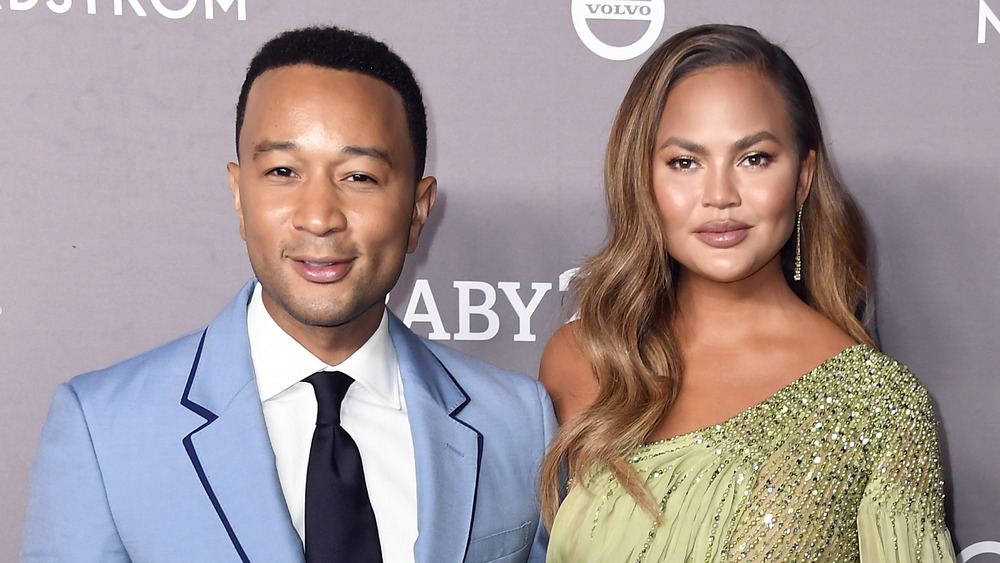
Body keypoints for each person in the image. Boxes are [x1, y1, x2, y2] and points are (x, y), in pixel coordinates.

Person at [23, 26, 555, 563]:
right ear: (238, 195)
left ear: (418, 211)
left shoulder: (515, 422)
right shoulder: (104, 430)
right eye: (283, 171)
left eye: (360, 176)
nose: (319, 217)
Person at [538, 24, 955, 562]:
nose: (719, 196)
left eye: (753, 158)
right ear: (642, 179)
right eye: (685, 162)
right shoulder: (582, 359)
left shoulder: (882, 407)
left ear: (803, 177)